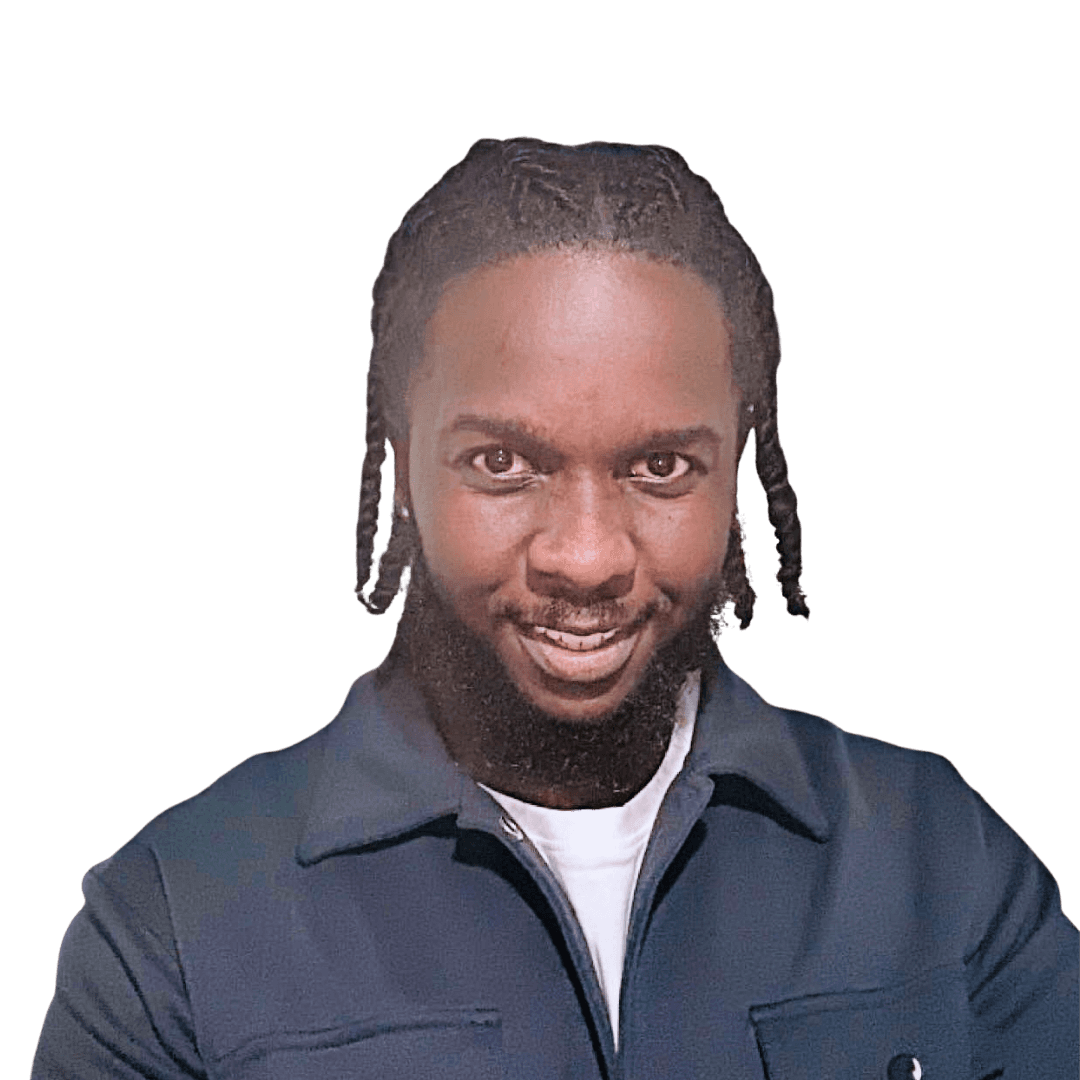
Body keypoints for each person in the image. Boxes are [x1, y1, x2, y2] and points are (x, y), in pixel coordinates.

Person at [32, 138, 1078, 1079]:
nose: (585, 557)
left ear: (737, 469)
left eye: (661, 467)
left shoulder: (945, 866)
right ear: (405, 470)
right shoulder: (173, 925)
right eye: (502, 463)